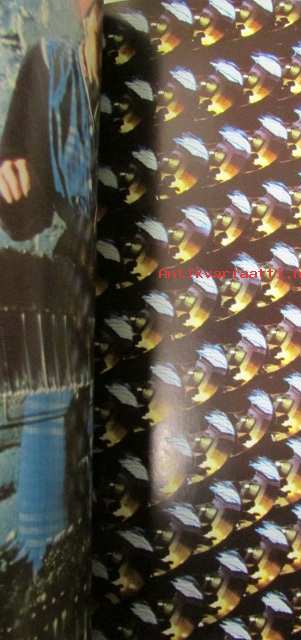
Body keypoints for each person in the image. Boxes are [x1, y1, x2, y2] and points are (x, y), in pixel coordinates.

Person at [0, 0, 101, 572]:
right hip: (75, 271)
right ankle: (40, 554)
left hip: (150, 275)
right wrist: (9, 182)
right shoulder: (49, 65)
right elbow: (26, 220)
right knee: (52, 388)